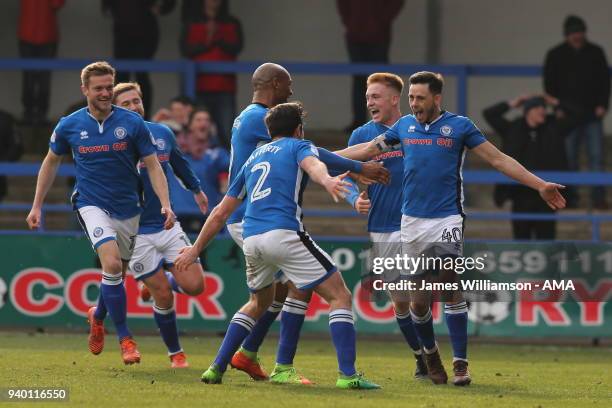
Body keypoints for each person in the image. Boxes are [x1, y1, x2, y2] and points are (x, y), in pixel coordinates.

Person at [367, 72, 566, 385]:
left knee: (448, 283)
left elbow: (499, 160)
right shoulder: (403, 127)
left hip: (448, 218)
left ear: (436, 98)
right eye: (411, 98)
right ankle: (431, 353)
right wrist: (317, 160)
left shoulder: (460, 126)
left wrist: (540, 185)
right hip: (412, 222)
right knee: (419, 301)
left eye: (420, 98)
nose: (414, 104)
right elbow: (366, 151)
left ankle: (461, 363)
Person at [175, 102, 381, 389]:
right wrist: (328, 181)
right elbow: (315, 164)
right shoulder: (299, 146)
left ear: (269, 130)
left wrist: (196, 249)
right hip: (283, 233)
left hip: (252, 239)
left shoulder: (254, 157)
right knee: (340, 296)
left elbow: (221, 210)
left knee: (259, 301)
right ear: (299, 129)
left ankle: (216, 367)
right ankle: (348, 376)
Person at [223, 62, 389, 385]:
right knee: (299, 290)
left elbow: (310, 154)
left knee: (285, 291)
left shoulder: (248, 116)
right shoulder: (262, 119)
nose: (291, 92)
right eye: (287, 85)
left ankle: (249, 354)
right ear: (273, 84)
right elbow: (310, 152)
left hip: (250, 217)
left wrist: (349, 175)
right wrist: (358, 169)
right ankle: (282, 365)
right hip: (256, 218)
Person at [25, 61, 176, 365]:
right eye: (99, 88)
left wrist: (165, 202)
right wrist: (37, 204)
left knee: (115, 272)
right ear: (85, 90)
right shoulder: (69, 125)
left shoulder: (132, 123)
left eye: (109, 87)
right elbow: (51, 161)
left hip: (129, 207)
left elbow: (153, 164)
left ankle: (98, 316)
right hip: (91, 203)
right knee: (111, 264)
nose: (106, 92)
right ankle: (125, 338)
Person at [107, 82, 208, 368]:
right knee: (163, 295)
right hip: (135, 234)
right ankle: (176, 353)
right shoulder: (110, 144)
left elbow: (179, 161)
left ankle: (163, 281)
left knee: (196, 286)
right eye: (126, 103)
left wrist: (197, 189)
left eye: (136, 101)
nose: (134, 107)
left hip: (166, 224)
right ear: (114, 108)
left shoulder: (162, 133)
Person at [344, 73, 427, 379]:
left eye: (376, 97)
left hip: (417, 222)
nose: (370, 102)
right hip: (382, 225)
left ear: (394, 99)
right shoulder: (361, 136)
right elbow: (345, 176)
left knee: (419, 296)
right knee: (400, 300)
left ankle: (430, 354)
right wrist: (355, 197)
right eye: (368, 98)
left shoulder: (416, 130)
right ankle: (420, 356)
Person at [483, 94, 578, 240]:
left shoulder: (553, 126)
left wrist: (555, 101)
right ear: (528, 111)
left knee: (546, 240)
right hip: (520, 194)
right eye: (538, 108)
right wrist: (514, 102)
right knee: (521, 239)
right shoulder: (514, 127)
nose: (543, 111)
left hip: (547, 195)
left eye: (544, 108)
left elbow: (578, 116)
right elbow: (489, 114)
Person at [543, 15, 610, 209]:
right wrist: (556, 108)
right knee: (568, 158)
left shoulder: (596, 52)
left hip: (591, 115)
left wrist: (603, 105)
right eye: (573, 33)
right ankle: (569, 199)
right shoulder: (556, 54)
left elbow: (605, 82)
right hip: (567, 116)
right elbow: (549, 84)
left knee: (596, 157)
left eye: (579, 32)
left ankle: (598, 198)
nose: (577, 36)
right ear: (567, 34)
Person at [181, 0, 243, 147]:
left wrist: (217, 37)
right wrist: (208, 40)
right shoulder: (192, 22)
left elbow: (237, 47)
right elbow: (186, 50)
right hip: (199, 86)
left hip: (225, 86)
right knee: (201, 131)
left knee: (227, 131)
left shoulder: (232, 22)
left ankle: (229, 167)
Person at [336, 0, 404, 132]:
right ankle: (358, 122)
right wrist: (351, 22)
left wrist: (382, 21)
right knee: (359, 79)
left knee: (382, 82)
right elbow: (343, 5)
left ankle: (385, 122)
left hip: (379, 36)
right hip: (355, 35)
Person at [102, 0, 176, 118]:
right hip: (122, 29)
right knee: (121, 75)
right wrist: (108, 7)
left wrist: (163, 8)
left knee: (141, 74)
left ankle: (143, 117)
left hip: (145, 30)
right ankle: (118, 116)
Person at [169, 107, 229, 234]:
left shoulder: (218, 154)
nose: (203, 123)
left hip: (208, 218)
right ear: (189, 126)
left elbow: (226, 186)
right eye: (199, 119)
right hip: (176, 218)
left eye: (207, 120)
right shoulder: (174, 151)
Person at [18, 0, 65, 125]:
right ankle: (41, 114)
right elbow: (57, 4)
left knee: (28, 76)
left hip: (27, 32)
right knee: (44, 76)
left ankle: (28, 114)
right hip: (47, 33)